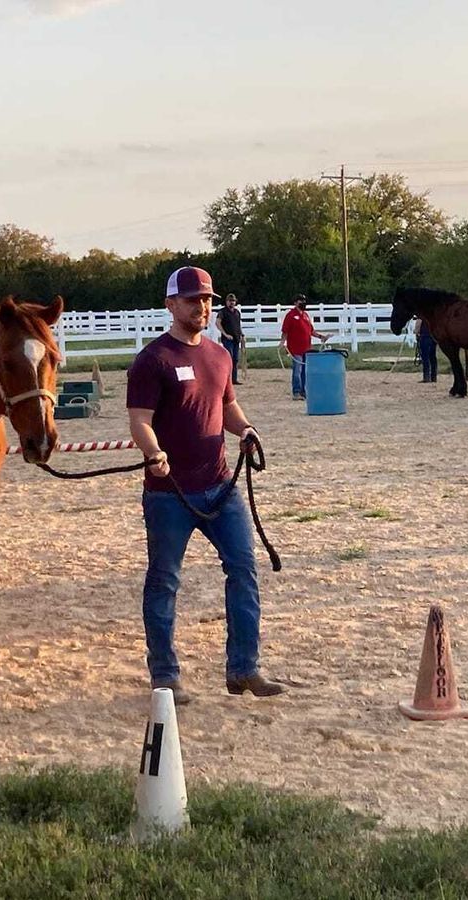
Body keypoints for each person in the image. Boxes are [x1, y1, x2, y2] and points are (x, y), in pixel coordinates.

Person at [127, 265, 286, 705]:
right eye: (193, 299)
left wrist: (247, 430)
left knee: (243, 570)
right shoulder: (152, 361)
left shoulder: (219, 356)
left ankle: (244, 669)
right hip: (169, 495)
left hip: (220, 486)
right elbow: (139, 421)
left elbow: (228, 406)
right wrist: (153, 452)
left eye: (207, 299)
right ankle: (164, 675)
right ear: (171, 305)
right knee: (164, 581)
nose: (202, 306)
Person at [280, 294, 330, 400]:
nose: (303, 303)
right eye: (300, 301)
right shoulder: (290, 315)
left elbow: (311, 331)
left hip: (306, 349)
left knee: (304, 371)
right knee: (297, 371)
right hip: (295, 348)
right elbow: (285, 331)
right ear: (295, 303)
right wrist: (283, 342)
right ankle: (296, 392)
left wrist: (321, 336)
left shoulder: (306, 315)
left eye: (304, 300)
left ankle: (303, 391)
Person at [216, 293, 243, 384]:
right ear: (226, 302)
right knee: (229, 358)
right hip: (227, 339)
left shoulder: (237, 312)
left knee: (235, 359)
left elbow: (238, 325)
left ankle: (233, 379)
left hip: (236, 338)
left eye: (233, 301)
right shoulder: (222, 312)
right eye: (230, 301)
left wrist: (242, 334)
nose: (232, 303)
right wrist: (225, 334)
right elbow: (218, 323)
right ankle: (226, 379)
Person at [417, 317, 438, 383]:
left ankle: (426, 377)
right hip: (433, 335)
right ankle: (433, 377)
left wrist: (416, 331)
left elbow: (419, 321)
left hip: (425, 335)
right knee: (432, 356)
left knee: (425, 356)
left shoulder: (421, 313)